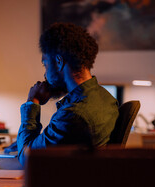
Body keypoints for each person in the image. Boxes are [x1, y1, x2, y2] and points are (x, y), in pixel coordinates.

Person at [17, 22, 119, 166]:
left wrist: (32, 102)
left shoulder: (73, 115)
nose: (45, 74)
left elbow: (28, 158)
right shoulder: (106, 98)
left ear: (59, 62)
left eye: (45, 64)